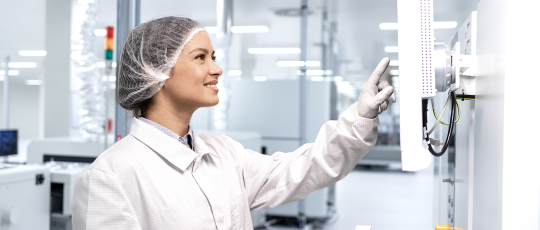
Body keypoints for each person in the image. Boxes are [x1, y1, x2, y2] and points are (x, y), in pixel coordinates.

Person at [71, 16, 395, 230]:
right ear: (152, 71)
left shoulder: (224, 153)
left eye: (214, 57)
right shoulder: (109, 178)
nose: (217, 69)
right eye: (201, 57)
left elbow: (303, 169)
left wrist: (361, 116)